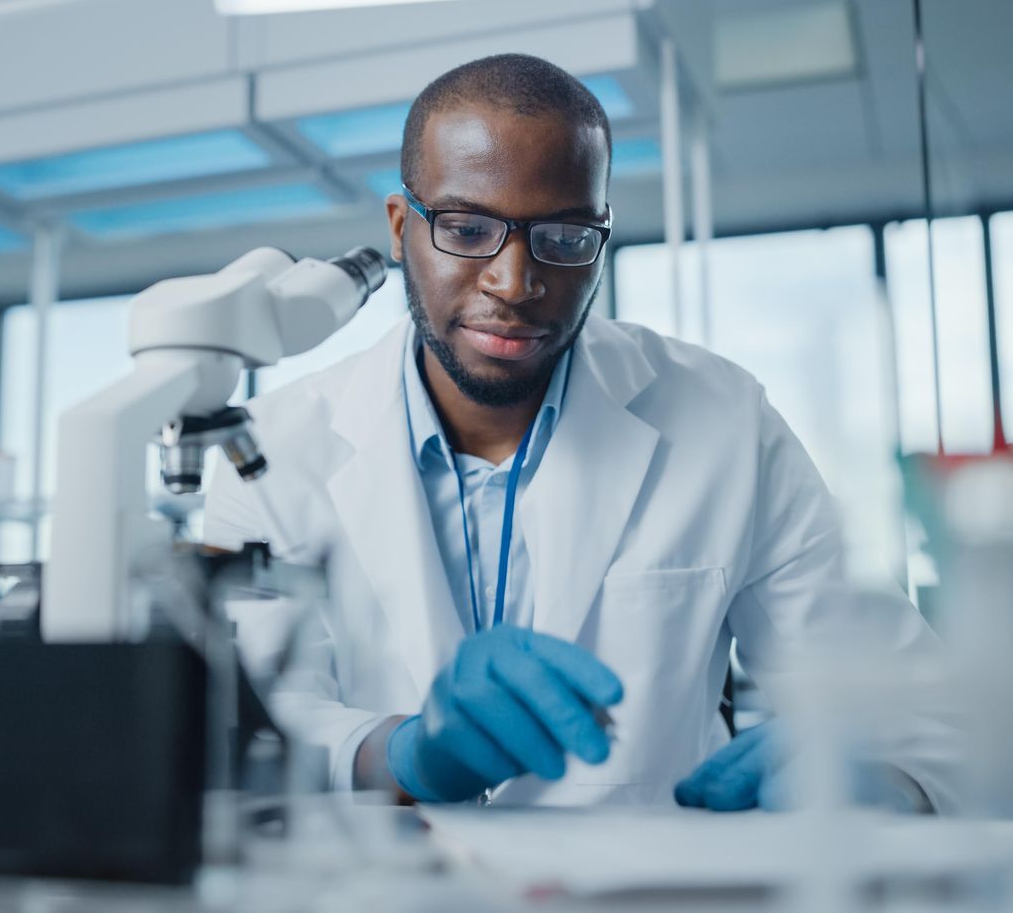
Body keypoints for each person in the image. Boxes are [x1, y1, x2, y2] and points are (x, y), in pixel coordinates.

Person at [204, 53, 957, 811]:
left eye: (564, 237)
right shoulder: (266, 453)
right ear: (403, 228)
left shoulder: (723, 419)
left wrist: (885, 785)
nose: (514, 281)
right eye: (467, 229)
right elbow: (245, 727)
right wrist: (400, 752)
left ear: (602, 238)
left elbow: (915, 716)